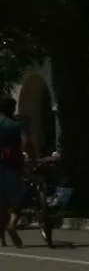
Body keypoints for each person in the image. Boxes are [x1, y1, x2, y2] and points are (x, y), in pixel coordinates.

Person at [0, 97, 33, 248]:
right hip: (12, 165)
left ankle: (2, 239)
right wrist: (32, 158)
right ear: (13, 108)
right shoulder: (17, 125)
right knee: (15, 202)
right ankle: (12, 223)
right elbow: (26, 143)